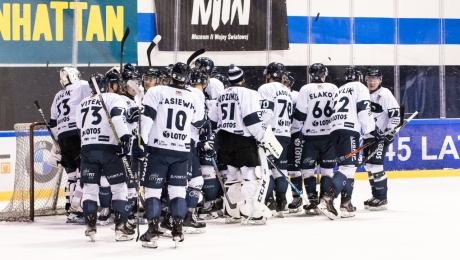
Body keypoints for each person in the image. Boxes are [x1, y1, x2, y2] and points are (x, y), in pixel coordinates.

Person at [135, 62, 205, 248]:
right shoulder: (194, 97)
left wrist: (140, 143)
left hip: (158, 150)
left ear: (171, 75)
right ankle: (178, 230)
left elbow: (146, 120)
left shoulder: (156, 92)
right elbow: (198, 123)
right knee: (177, 192)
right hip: (182, 150)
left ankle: (153, 231)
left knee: (153, 193)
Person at [317, 67, 383, 219]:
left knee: (349, 167)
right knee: (347, 166)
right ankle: (327, 198)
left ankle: (346, 204)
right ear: (359, 78)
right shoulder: (360, 87)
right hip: (349, 130)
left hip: (334, 130)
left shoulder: (339, 90)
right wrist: (371, 130)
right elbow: (363, 110)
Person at [76, 73, 134, 241]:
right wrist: (125, 138)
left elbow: (80, 126)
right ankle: (120, 228)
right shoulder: (113, 98)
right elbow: (117, 118)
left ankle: (91, 227)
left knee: (90, 189)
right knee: (119, 188)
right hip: (109, 148)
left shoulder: (82, 103)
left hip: (87, 148)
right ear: (107, 85)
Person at [210, 64, 271, 225]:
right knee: (250, 174)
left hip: (224, 139)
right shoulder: (249, 93)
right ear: (243, 80)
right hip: (243, 139)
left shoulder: (222, 94)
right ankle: (249, 212)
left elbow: (213, 119)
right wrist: (261, 137)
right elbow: (251, 119)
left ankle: (232, 212)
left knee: (231, 176)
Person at [290, 63, 338, 215]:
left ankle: (312, 200)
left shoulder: (306, 89)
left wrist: (294, 130)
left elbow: (300, 114)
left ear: (311, 75)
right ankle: (326, 198)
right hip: (329, 136)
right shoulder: (333, 88)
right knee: (327, 171)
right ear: (325, 74)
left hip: (311, 137)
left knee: (308, 171)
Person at [49, 67, 91, 224]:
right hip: (77, 134)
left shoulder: (58, 95)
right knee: (83, 173)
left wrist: (57, 138)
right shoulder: (82, 86)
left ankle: (70, 210)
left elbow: (53, 121)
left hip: (63, 137)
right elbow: (97, 93)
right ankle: (77, 207)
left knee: (72, 175)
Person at [258, 62, 293, 217]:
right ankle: (282, 201)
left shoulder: (265, 88)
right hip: (285, 134)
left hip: (270, 134)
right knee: (281, 169)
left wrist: (260, 130)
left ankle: (270, 201)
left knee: (267, 170)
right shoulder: (287, 91)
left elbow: (266, 112)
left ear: (268, 74)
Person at [363, 69, 400, 211]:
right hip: (368, 136)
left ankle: (382, 198)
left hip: (380, 137)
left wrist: (391, 132)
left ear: (380, 80)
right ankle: (375, 196)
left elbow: (395, 114)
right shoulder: (363, 94)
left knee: (376, 166)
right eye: (370, 79)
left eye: (375, 79)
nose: (372, 82)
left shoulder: (385, 94)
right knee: (369, 166)